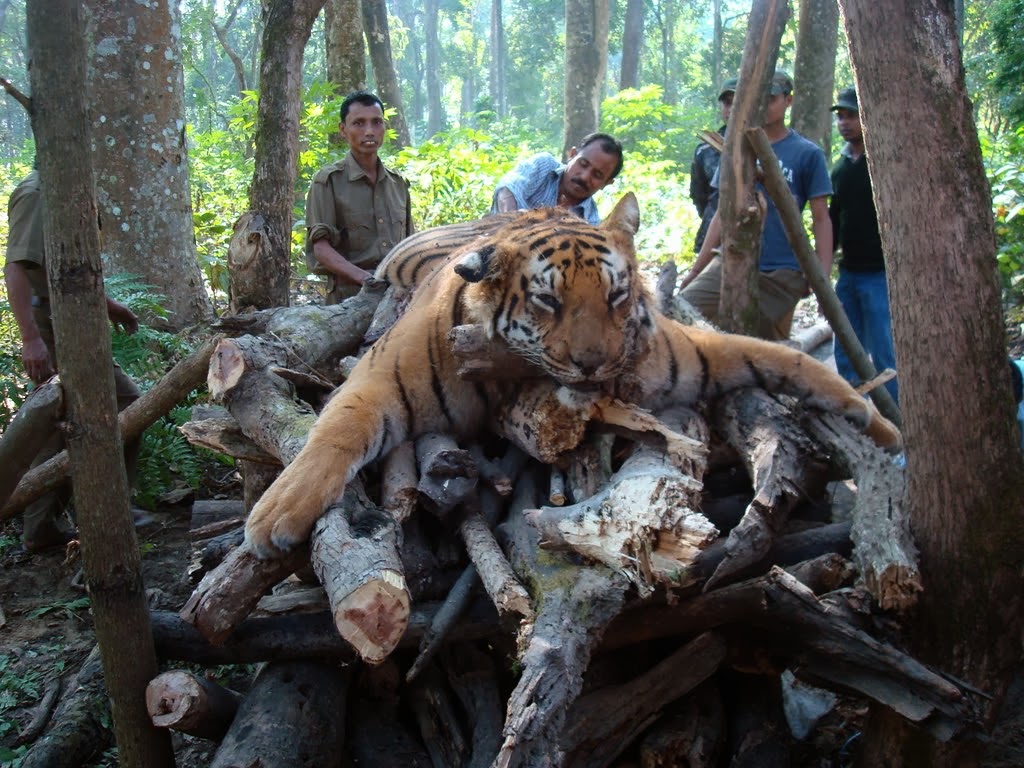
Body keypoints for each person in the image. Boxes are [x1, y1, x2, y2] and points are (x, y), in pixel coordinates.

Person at [4, 169, 141, 552]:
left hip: (77, 322)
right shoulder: (37, 192)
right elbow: (17, 266)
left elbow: (71, 267)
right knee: (123, 405)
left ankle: (49, 525)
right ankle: (91, 516)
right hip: (53, 327)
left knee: (62, 425)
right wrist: (31, 339)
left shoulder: (71, 186)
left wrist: (109, 306)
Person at [679, 72, 833, 341]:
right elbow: (719, 212)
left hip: (782, 271)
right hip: (729, 260)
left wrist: (822, 279)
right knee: (680, 311)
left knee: (759, 344)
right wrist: (696, 270)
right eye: (758, 99)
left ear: (788, 101)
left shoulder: (808, 154)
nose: (763, 106)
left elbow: (821, 219)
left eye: (771, 99)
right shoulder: (735, 150)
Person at [304, 90, 415, 304]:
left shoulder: (398, 184)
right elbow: (321, 249)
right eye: (359, 123)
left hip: (397, 299)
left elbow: (410, 244)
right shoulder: (328, 182)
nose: (369, 131)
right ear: (343, 130)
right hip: (348, 300)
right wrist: (368, 280)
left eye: (376, 122)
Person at [828, 86, 898, 403]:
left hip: (880, 275)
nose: (844, 122)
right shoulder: (840, 169)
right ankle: (855, 412)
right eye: (840, 116)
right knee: (845, 345)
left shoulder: (884, 165)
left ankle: (894, 419)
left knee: (884, 349)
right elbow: (831, 223)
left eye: (851, 115)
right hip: (849, 274)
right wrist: (823, 272)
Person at [490, 132, 624, 224]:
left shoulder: (590, 222)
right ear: (572, 154)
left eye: (597, 175)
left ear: (607, 183)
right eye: (583, 164)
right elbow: (508, 186)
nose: (584, 176)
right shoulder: (543, 166)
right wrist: (514, 220)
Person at [690, 77, 737, 251]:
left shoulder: (764, 146)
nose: (731, 109)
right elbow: (698, 194)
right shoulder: (705, 149)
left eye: (737, 102)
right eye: (727, 103)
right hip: (711, 236)